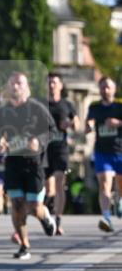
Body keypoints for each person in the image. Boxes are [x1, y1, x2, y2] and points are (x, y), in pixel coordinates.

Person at [0, 71, 56, 260]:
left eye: (19, 83)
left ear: (26, 87)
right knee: (17, 205)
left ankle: (45, 217)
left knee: (35, 207)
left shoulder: (36, 108)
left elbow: (51, 130)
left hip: (34, 163)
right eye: (12, 83)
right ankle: (24, 245)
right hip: (13, 163)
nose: (15, 86)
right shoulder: (2, 112)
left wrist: (39, 141)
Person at [85, 75, 122, 233]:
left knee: (120, 184)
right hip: (102, 151)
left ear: (114, 89)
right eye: (102, 87)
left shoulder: (120, 106)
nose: (105, 90)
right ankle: (106, 217)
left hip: (120, 151)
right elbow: (89, 123)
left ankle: (120, 200)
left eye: (108, 87)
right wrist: (88, 126)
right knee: (105, 183)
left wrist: (118, 123)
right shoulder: (94, 107)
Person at [45, 72, 79, 235]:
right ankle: (48, 214)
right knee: (48, 189)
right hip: (44, 151)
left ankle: (57, 220)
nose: (51, 85)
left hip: (60, 150)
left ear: (60, 85)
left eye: (54, 82)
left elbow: (77, 124)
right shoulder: (40, 105)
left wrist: (70, 123)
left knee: (59, 184)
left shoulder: (67, 105)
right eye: (49, 82)